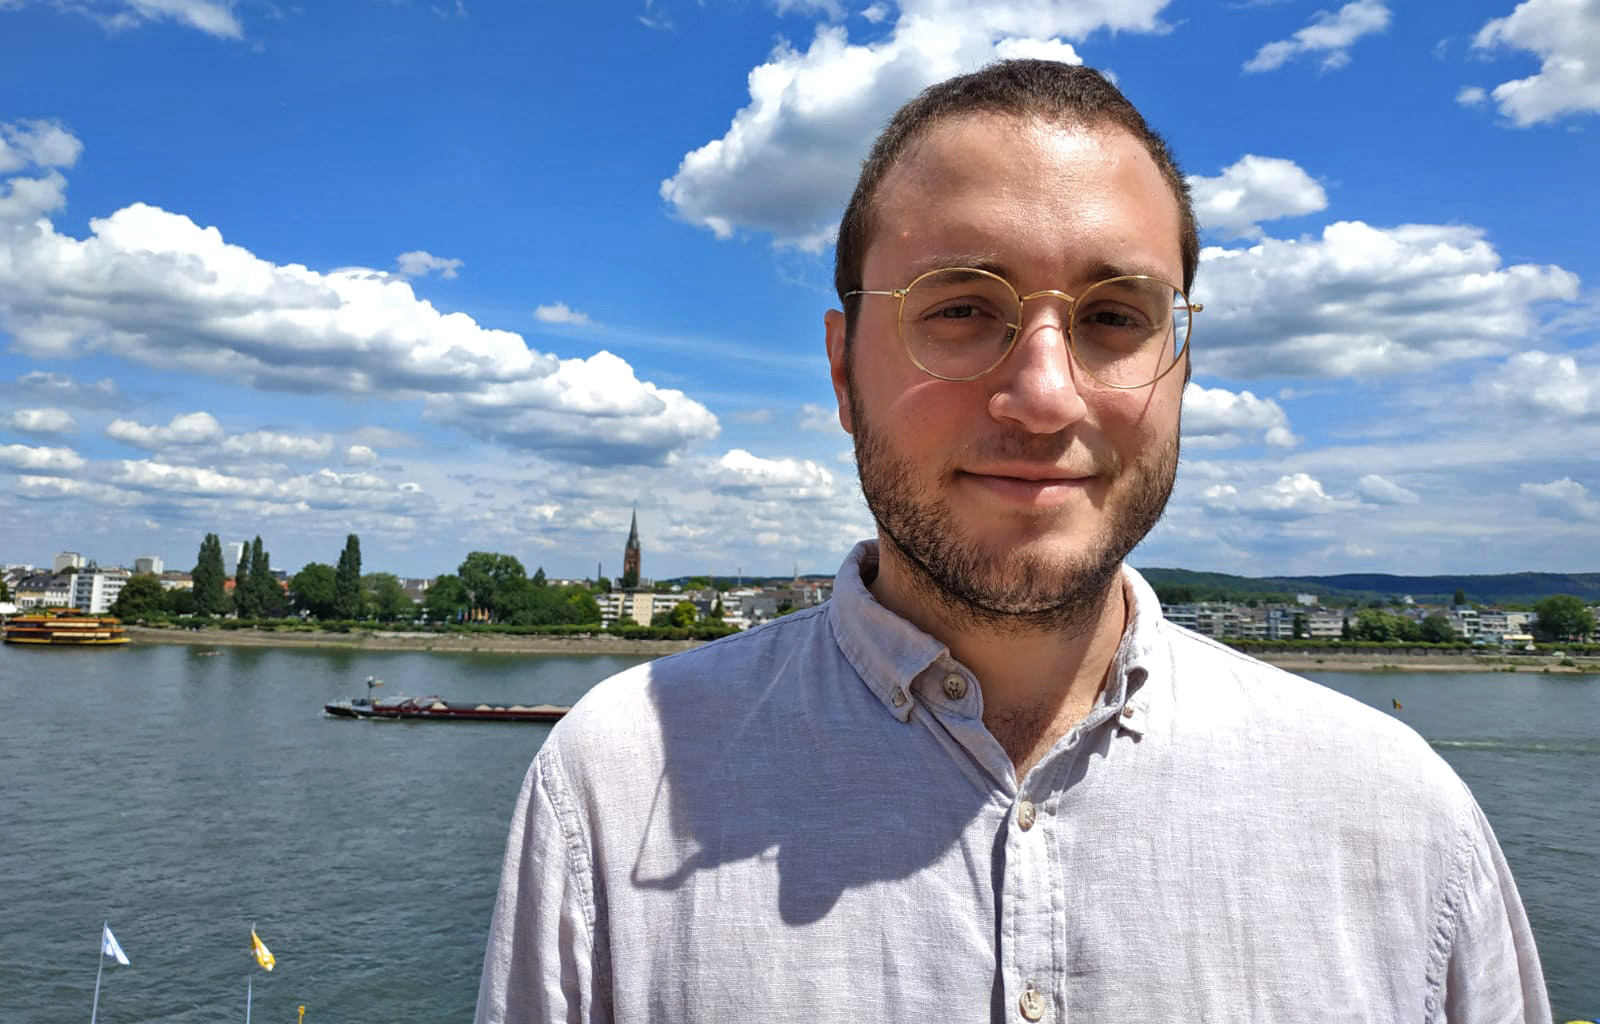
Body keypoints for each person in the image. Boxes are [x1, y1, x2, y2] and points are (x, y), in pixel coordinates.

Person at [476, 60, 1548, 1022]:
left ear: (1179, 364)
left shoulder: (1400, 818)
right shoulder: (612, 788)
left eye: (1116, 317)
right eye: (958, 310)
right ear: (843, 371)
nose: (1042, 396)